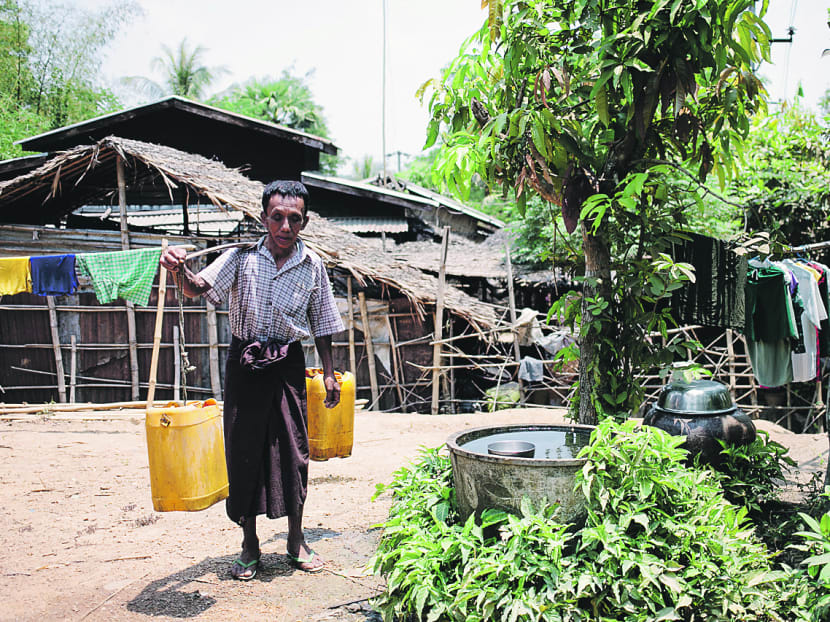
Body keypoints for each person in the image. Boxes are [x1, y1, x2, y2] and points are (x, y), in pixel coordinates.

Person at [160, 180, 343, 579]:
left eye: (294, 219)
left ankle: (296, 540)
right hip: (245, 363)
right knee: (244, 452)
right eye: (277, 217)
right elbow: (195, 289)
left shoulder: (312, 265)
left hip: (288, 365)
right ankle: (250, 543)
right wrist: (179, 268)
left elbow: (323, 323)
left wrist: (329, 373)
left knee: (295, 453)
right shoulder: (240, 257)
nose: (285, 226)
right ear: (263, 218)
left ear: (305, 222)